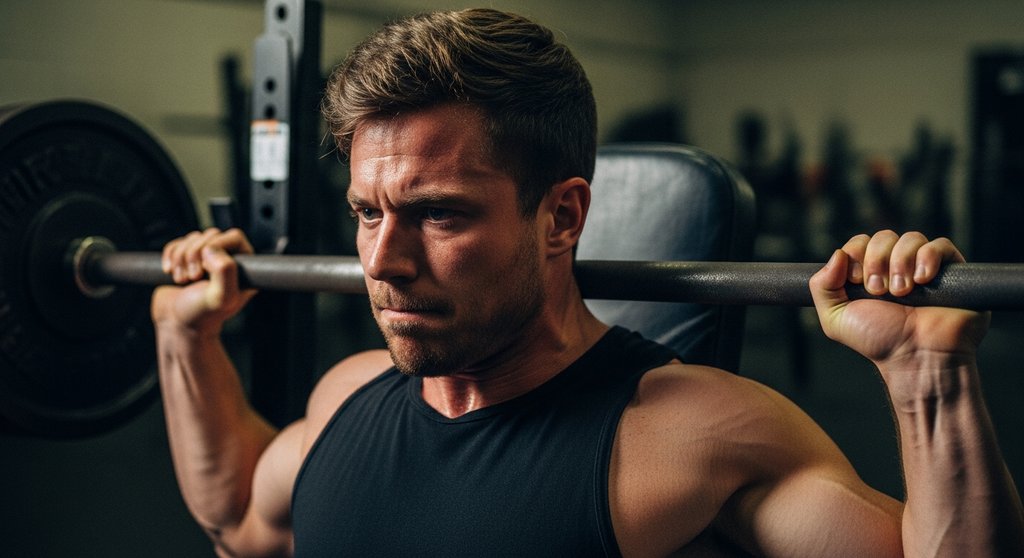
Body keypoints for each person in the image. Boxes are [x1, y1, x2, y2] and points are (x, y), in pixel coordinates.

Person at [151, 8, 1024, 557]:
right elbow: (238, 519)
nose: (382, 262)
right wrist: (184, 338)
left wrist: (927, 379)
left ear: (562, 216)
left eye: (440, 215)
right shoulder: (346, 396)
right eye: (369, 213)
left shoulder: (693, 435)